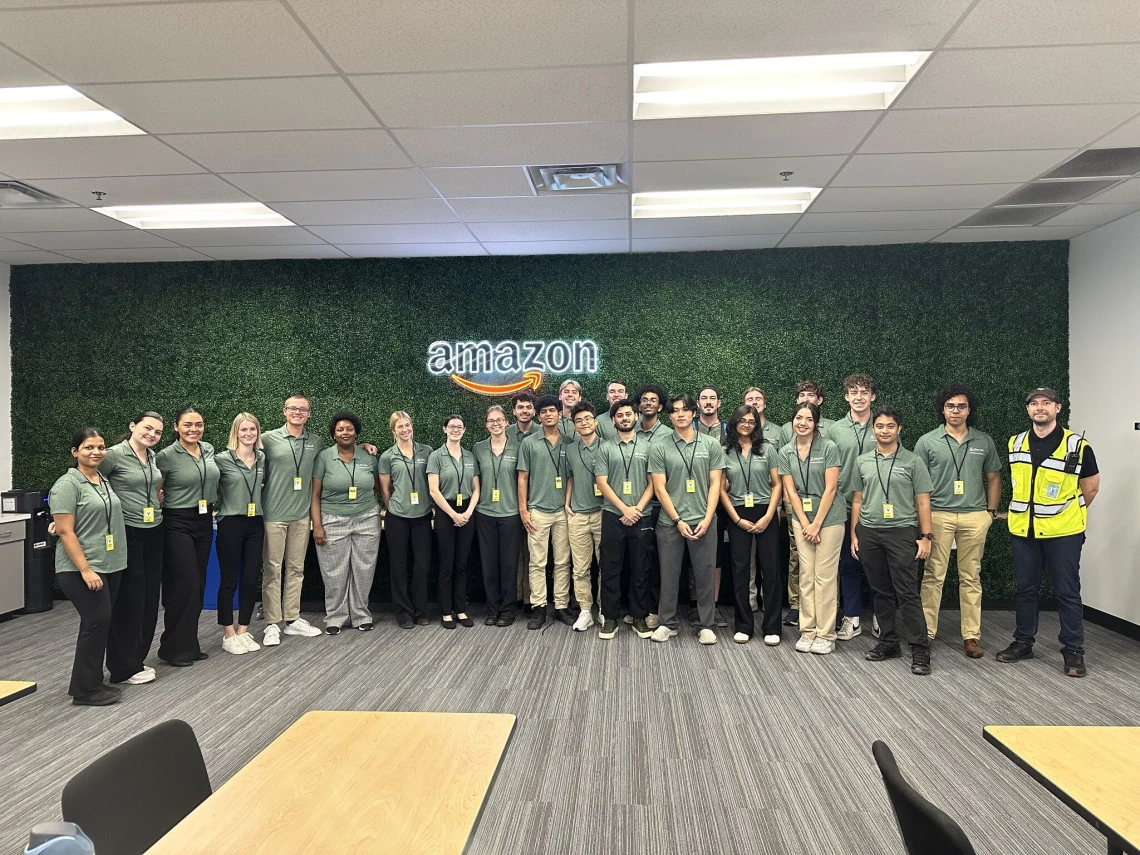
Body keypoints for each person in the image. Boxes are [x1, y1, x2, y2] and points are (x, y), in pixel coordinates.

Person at [996, 387, 1099, 677]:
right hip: (1023, 530)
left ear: (1057, 408)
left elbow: (1090, 487)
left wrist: (1067, 513)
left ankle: (1073, 651)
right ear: (1028, 409)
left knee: (1067, 592)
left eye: (1046, 403)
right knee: (1025, 590)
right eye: (1034, 403)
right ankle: (1023, 642)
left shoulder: (1077, 445)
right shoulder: (1015, 443)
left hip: (1063, 532)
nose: (1039, 408)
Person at [913, 385, 1002, 658]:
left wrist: (989, 513)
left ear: (969, 410)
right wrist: (923, 521)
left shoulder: (983, 441)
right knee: (933, 576)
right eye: (951, 406)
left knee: (971, 577)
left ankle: (971, 636)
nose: (955, 411)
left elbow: (994, 477)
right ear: (943, 409)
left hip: (975, 516)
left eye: (961, 406)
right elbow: (918, 485)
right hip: (938, 515)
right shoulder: (927, 442)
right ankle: (926, 632)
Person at [851, 406, 935, 675]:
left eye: (890, 426)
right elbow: (857, 499)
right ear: (873, 429)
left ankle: (920, 647)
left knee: (907, 592)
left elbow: (923, 501)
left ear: (899, 429)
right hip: (870, 532)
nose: (884, 431)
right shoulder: (863, 460)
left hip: (902, 532)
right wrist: (855, 532)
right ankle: (889, 642)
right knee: (881, 591)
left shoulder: (912, 461)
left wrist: (926, 536)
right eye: (879, 426)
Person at [51, 428, 129, 706]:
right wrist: (85, 569)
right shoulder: (67, 484)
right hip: (80, 568)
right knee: (95, 621)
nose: (96, 452)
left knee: (100, 622)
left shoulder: (101, 480)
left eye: (100, 447)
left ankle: (93, 682)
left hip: (108, 564)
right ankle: (84, 691)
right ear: (75, 452)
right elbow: (65, 532)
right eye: (88, 448)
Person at [648, 392, 727, 645]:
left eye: (685, 409)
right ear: (669, 415)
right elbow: (660, 488)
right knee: (669, 575)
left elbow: (716, 484)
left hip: (704, 520)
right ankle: (667, 623)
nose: (680, 414)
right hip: (670, 523)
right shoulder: (660, 445)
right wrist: (678, 520)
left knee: (705, 575)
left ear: (694, 413)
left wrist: (708, 516)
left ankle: (706, 625)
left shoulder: (710, 445)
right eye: (674, 410)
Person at [98, 412, 163, 686]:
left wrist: (158, 496)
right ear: (133, 426)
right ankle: (122, 667)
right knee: (129, 600)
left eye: (158, 432)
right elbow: (88, 481)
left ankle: (136, 658)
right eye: (148, 428)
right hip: (127, 532)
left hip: (154, 529)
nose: (152, 434)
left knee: (149, 598)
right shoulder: (113, 455)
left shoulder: (151, 457)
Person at [155, 407, 220, 666]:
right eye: (188, 425)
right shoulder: (165, 456)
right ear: (176, 427)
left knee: (199, 585)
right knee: (185, 584)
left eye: (199, 424)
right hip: (176, 522)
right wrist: (157, 498)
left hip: (203, 520)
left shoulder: (208, 449)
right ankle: (172, 649)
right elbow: (152, 487)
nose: (194, 429)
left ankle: (189, 645)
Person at [779, 401, 844, 655]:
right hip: (802, 519)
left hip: (828, 519)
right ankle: (808, 631)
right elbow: (791, 490)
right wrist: (805, 523)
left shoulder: (828, 447)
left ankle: (826, 634)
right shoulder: (786, 451)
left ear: (816, 423)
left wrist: (816, 523)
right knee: (806, 576)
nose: (802, 423)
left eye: (808, 419)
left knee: (825, 577)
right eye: (798, 418)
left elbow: (831, 488)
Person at [259, 395, 325, 646]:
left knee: (296, 570)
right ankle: (272, 624)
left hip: (301, 517)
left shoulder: (315, 442)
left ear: (309, 414)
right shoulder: (267, 439)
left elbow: (334, 453)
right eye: (293, 409)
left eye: (303, 409)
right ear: (284, 411)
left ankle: (292, 619)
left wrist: (364, 447)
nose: (297, 412)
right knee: (273, 570)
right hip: (273, 517)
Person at [312, 411, 381, 634]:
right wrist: (318, 526)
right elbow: (314, 495)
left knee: (364, 569)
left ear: (356, 433)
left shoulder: (368, 457)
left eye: (349, 429)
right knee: (334, 571)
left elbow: (380, 486)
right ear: (333, 434)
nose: (345, 432)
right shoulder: (323, 458)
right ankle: (335, 616)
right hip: (332, 519)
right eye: (340, 429)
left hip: (367, 518)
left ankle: (361, 614)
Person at [595, 398, 658, 639]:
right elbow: (602, 482)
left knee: (640, 568)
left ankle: (639, 617)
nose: (624, 418)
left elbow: (654, 482)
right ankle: (610, 618)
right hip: (613, 515)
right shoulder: (606, 447)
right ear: (613, 420)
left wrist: (637, 509)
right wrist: (624, 509)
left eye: (628, 414)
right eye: (619, 415)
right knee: (610, 567)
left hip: (641, 516)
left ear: (636, 416)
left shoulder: (649, 446)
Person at [721, 405, 782, 645]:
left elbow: (777, 484)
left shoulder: (768, 448)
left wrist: (768, 516)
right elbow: (720, 488)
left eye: (751, 421)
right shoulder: (724, 450)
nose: (747, 424)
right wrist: (735, 519)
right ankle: (744, 625)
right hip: (737, 514)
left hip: (765, 510)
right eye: (742, 420)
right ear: (734, 422)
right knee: (740, 570)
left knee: (771, 570)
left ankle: (772, 627)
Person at [517, 394, 572, 629]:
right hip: (537, 510)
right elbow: (522, 477)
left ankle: (561, 606)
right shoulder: (529, 442)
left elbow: (571, 477)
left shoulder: (569, 442)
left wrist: (569, 505)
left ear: (559, 413)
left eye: (552, 410)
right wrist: (523, 510)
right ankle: (538, 607)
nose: (548, 414)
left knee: (563, 561)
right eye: (543, 412)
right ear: (538, 416)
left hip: (563, 511)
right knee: (537, 562)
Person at [830, 374, 877, 641]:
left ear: (873, 396)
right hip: (844, 507)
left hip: (876, 508)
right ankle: (852, 618)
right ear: (846, 397)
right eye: (853, 392)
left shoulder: (883, 425)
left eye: (864, 392)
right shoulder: (836, 430)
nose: (858, 397)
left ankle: (882, 618)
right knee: (848, 564)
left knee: (879, 565)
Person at [214, 413, 266, 654]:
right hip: (230, 523)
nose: (248, 434)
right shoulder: (221, 459)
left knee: (250, 579)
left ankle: (243, 630)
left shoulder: (261, 458)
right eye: (243, 430)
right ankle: (228, 633)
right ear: (235, 433)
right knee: (229, 580)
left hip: (255, 523)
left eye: (252, 430)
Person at [379, 411, 434, 628]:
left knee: (422, 565)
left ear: (412, 426)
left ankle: (420, 611)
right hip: (398, 517)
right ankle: (402, 611)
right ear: (394, 430)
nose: (405, 430)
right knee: (399, 565)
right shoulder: (387, 456)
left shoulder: (427, 451)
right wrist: (392, 505)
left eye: (407, 425)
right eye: (400, 427)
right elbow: (384, 488)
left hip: (422, 516)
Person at [473, 405, 524, 626]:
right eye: (491, 420)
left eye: (499, 420)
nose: (495, 424)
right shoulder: (478, 449)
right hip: (484, 513)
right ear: (486, 424)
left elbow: (524, 481)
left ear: (506, 422)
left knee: (509, 564)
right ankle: (492, 610)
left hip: (510, 513)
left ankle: (508, 610)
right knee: (489, 563)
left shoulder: (519, 447)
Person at [427, 414, 479, 629]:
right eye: (452, 426)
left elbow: (477, 488)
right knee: (446, 564)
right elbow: (433, 490)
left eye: (460, 426)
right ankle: (446, 612)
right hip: (445, 512)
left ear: (464, 430)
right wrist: (453, 514)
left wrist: (467, 512)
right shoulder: (436, 456)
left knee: (462, 564)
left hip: (467, 511)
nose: (456, 430)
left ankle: (461, 609)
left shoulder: (469, 456)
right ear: (444, 429)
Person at [564, 401, 602, 631]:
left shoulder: (608, 447)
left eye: (588, 418)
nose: (584, 423)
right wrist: (568, 503)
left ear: (595, 421)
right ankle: (585, 611)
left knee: (606, 565)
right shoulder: (570, 449)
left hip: (602, 514)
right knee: (580, 569)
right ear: (575, 425)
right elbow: (570, 478)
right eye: (579, 420)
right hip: (577, 515)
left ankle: (605, 610)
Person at [695, 385, 730, 627]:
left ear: (719, 403)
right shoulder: (688, 428)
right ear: (697, 404)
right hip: (690, 500)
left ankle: (713, 606)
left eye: (712, 399)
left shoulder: (730, 431)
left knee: (715, 557)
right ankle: (693, 605)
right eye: (704, 399)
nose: (708, 402)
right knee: (689, 555)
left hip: (721, 502)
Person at [506, 389, 539, 610]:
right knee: (514, 553)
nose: (524, 410)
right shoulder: (504, 432)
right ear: (514, 411)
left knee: (532, 554)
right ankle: (515, 596)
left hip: (535, 502)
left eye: (528, 407)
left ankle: (529, 599)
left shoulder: (543, 432)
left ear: (534, 410)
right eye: (520, 407)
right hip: (508, 502)